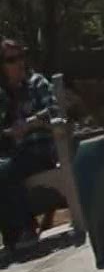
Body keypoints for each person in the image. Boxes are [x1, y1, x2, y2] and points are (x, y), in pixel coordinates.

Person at [0, 39, 60, 260]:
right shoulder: (4, 95)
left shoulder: (37, 83)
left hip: (41, 150)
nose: (19, 63)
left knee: (6, 171)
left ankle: (27, 227)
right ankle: (12, 236)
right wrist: (10, 132)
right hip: (16, 154)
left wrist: (30, 123)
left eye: (21, 56)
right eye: (11, 60)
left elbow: (54, 110)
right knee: (3, 168)